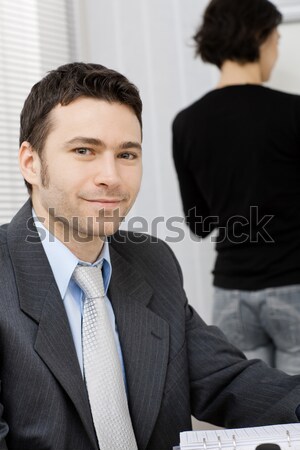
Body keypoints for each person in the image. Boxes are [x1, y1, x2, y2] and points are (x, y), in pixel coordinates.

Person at [1, 63, 300, 450]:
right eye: (83, 151)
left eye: (127, 155)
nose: (111, 176)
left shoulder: (151, 259)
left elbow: (228, 380)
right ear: (31, 162)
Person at [172, 0, 300, 374]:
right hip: (294, 283)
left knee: (252, 410)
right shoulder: (293, 112)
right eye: (276, 40)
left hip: (232, 293)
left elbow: (198, 223)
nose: (276, 53)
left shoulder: (187, 123)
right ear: (259, 38)